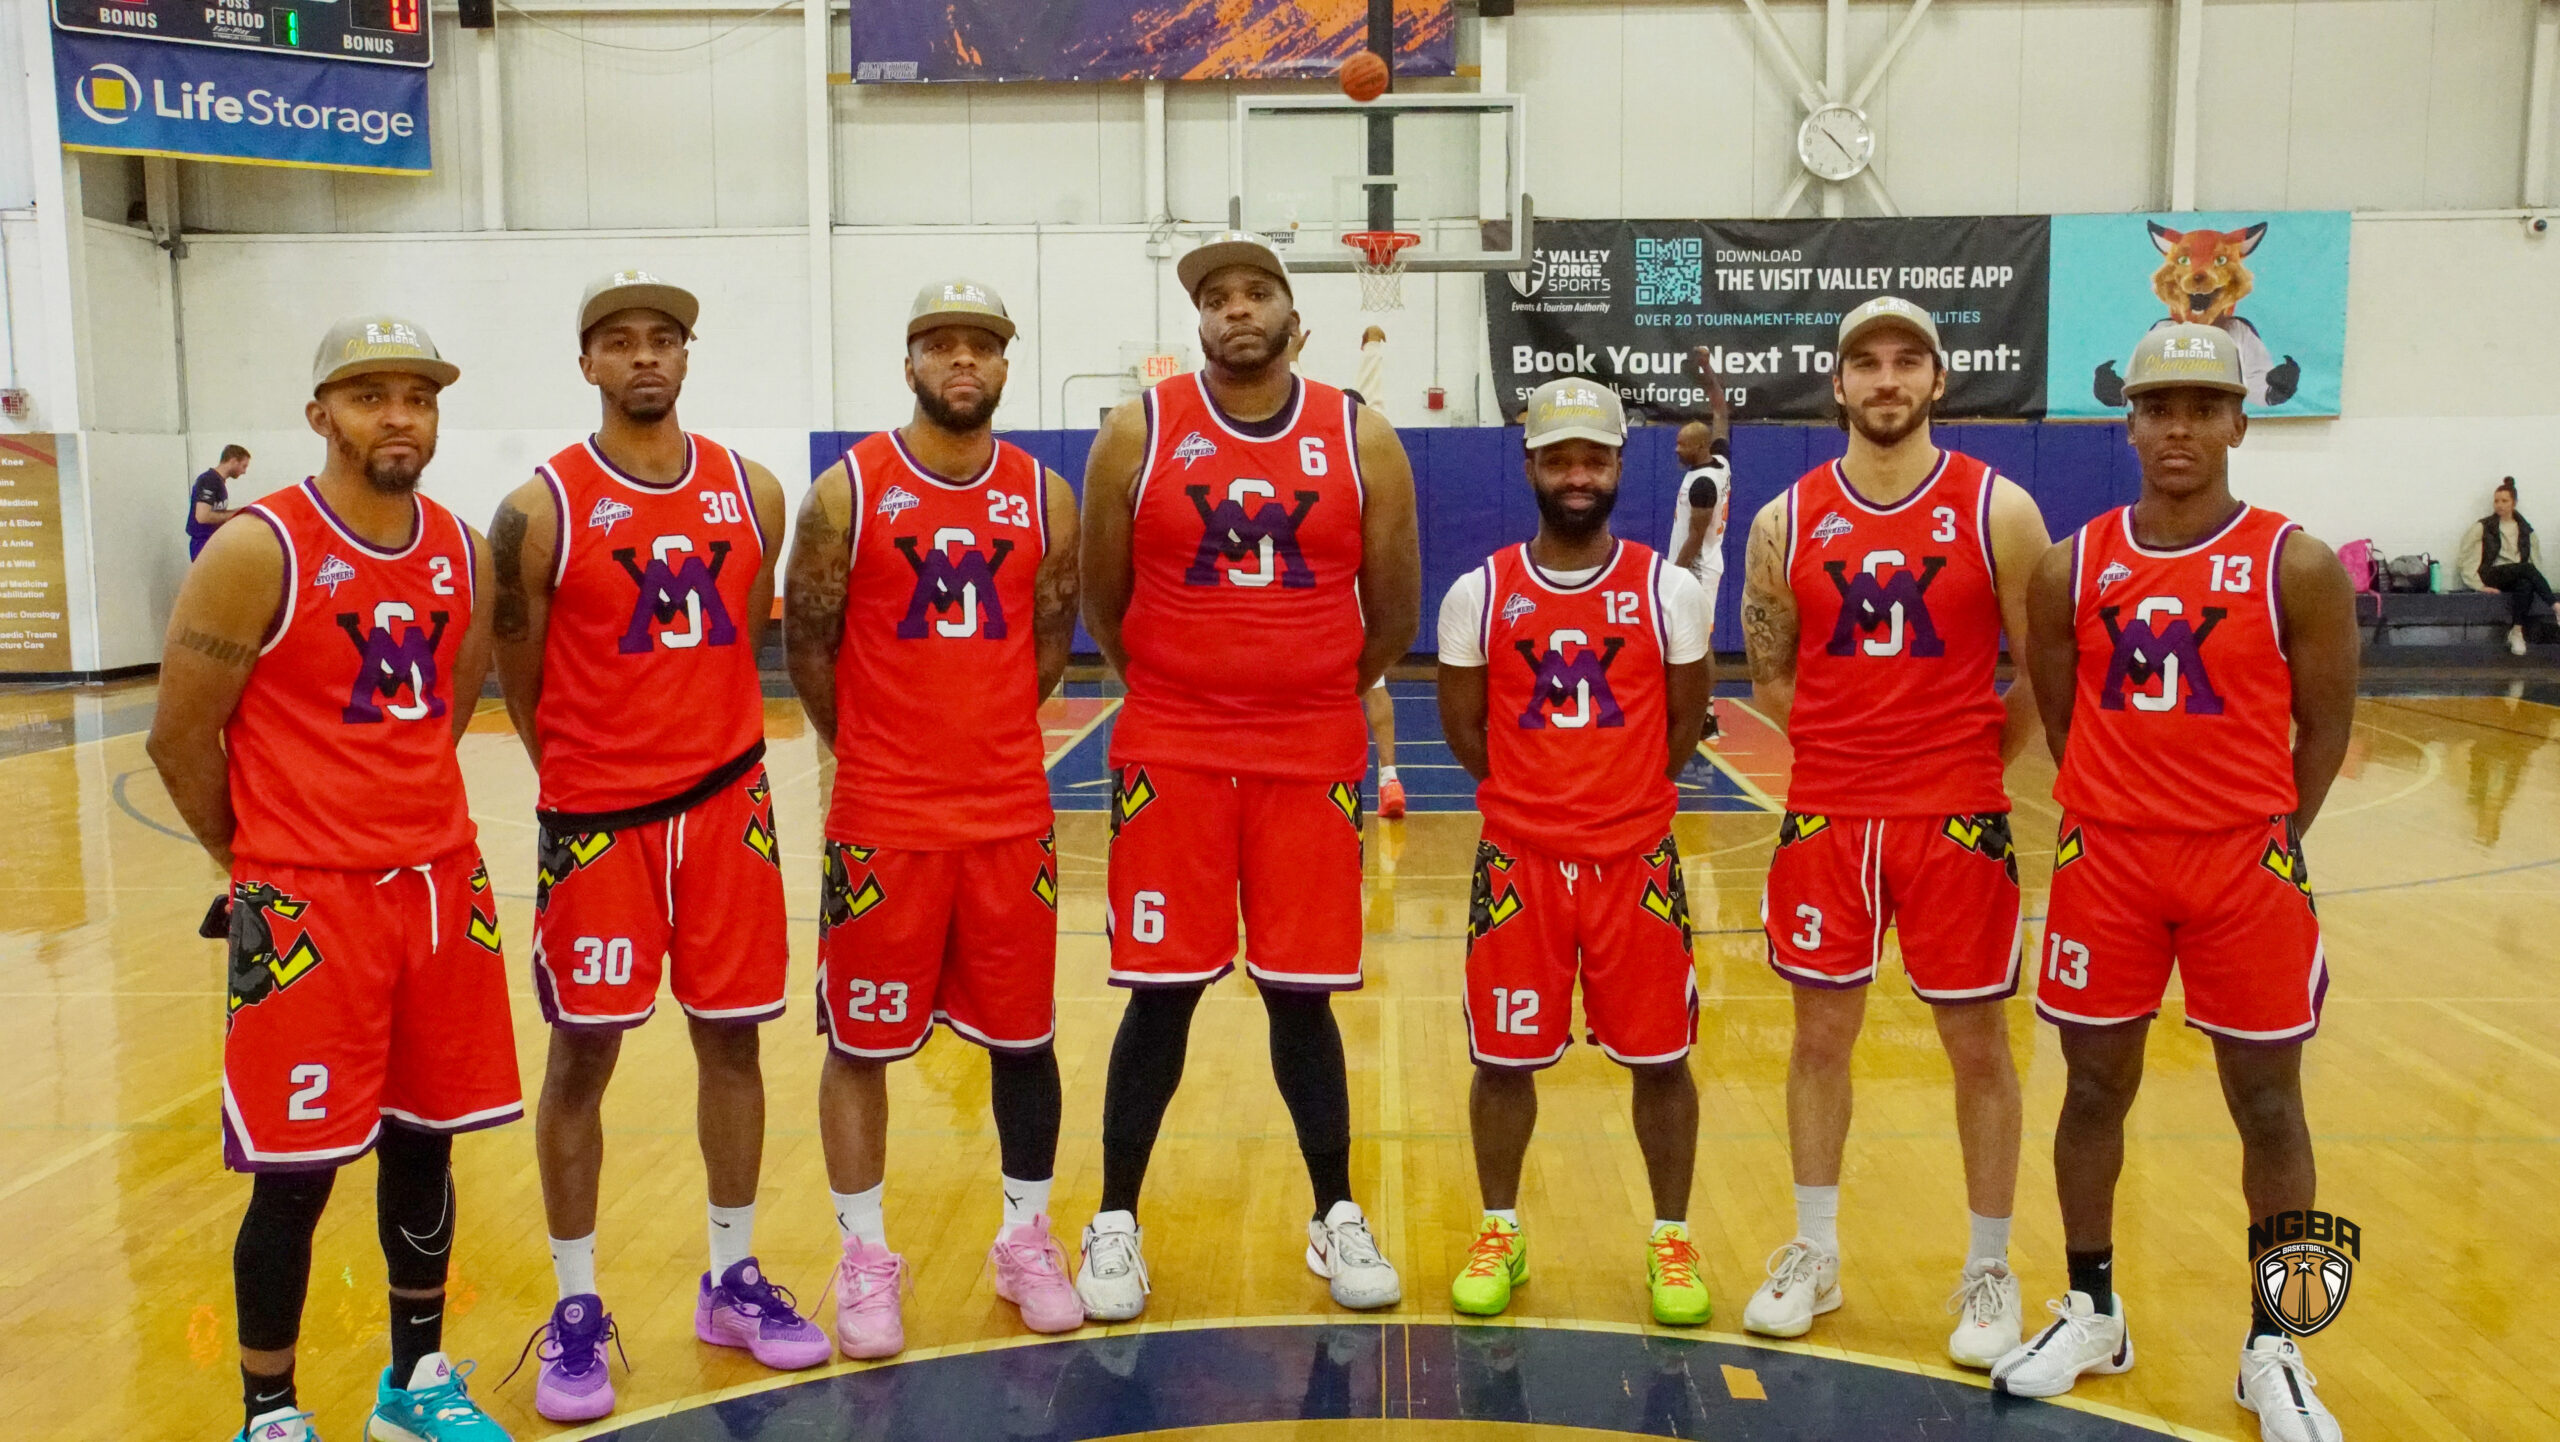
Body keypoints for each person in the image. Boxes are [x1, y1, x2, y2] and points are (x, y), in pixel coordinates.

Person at [147, 317, 521, 1442]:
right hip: (309, 905)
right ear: (321, 415)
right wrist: (255, 860)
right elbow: (179, 737)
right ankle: (270, 1410)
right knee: (294, 1172)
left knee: (423, 1142)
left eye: (418, 395)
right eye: (369, 396)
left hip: (439, 889)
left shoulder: (465, 545)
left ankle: (415, 1383)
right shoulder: (259, 548)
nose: (398, 415)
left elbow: (449, 709)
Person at [1997, 323, 2358, 1442]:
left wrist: (2265, 830)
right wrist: (2117, 806)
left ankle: (2277, 1342)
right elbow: (2060, 710)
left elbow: (2327, 724)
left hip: (2241, 863)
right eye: (2159, 407)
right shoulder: (2071, 562)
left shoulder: (2292, 561)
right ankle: (2093, 1306)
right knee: (2092, 1090)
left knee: (2268, 1103)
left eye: (2204, 407)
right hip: (2108, 859)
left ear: (2240, 422)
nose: (2180, 428)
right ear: (2131, 423)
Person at [1072, 231, 1421, 1321]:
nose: (1235, 309)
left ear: (1291, 318)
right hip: (1172, 747)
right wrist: (1181, 685)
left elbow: (1394, 610)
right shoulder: (1140, 427)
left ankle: (1335, 1212)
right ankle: (1115, 1217)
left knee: (1299, 992)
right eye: (1215, 297)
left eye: (1255, 291)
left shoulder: (1362, 435)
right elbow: (1102, 596)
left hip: (1308, 749)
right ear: (1199, 323)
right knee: (1161, 992)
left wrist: (1304, 687)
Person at [486, 273, 813, 1421]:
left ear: (687, 355)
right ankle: (578, 1304)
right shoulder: (539, 507)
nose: (643, 358)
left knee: (736, 1042)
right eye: (618, 341)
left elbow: (750, 635)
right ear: (586, 363)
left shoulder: (752, 488)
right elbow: (517, 680)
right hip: (596, 826)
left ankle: (730, 1276)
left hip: (729, 808)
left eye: (662, 339)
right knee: (582, 1058)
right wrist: (583, 778)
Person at [1733, 296, 2052, 1367]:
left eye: (1905, 360)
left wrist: (1965, 762)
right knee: (1818, 1038)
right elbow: (1771, 670)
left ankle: (1990, 1266)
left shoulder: (1997, 508)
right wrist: (1843, 756)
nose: (1884, 378)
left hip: (1956, 819)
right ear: (1836, 383)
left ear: (1935, 381)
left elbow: (2042, 673)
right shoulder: (1783, 518)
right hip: (1829, 813)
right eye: (1864, 361)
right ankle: (1814, 1251)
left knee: (1978, 1049)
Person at [782, 278, 1086, 1355]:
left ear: (1005, 365)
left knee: (1024, 1039)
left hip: (1007, 810)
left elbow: (1051, 641)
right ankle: (863, 1252)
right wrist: (871, 744)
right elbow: (808, 646)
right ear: (909, 361)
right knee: (859, 1040)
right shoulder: (845, 492)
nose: (964, 362)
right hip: (883, 815)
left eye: (983, 347)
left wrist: (986, 727)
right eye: (942, 345)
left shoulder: (1047, 495)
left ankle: (1025, 1234)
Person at [1435, 377, 1716, 1325]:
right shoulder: (1478, 592)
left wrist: (1616, 798)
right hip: (1521, 863)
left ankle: (1670, 1241)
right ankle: (1501, 1230)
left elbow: (1682, 726)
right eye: (1560, 457)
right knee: (1503, 1063)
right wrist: (1543, 800)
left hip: (1635, 860)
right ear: (1530, 466)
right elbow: (1466, 732)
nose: (1578, 473)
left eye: (1594, 456)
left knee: (1662, 1059)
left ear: (1619, 466)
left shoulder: (1665, 589)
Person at [2459, 477, 2551, 656]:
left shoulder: (2525, 530)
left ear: (2514, 503)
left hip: (2516, 576)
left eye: (2504, 501)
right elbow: (2466, 556)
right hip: (2492, 575)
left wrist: (2534, 582)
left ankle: (2516, 631)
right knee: (2526, 569)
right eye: (2496, 501)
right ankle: (2556, 606)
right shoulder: (2484, 527)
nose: (2499, 505)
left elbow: (2535, 559)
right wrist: (2478, 585)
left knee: (2525, 581)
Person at [188, 444, 252, 559]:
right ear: (233, 461)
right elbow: (202, 516)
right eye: (244, 466)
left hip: (213, 541)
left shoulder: (218, 482)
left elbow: (216, 512)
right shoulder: (208, 481)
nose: (244, 472)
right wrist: (234, 514)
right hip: (203, 544)